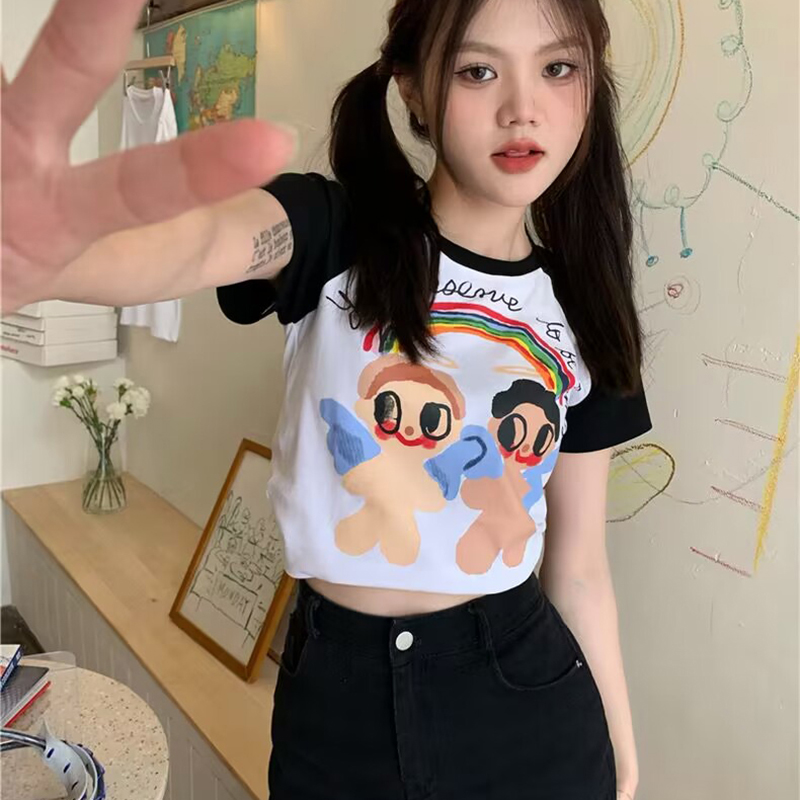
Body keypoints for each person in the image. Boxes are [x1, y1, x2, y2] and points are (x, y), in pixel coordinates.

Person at [2, 0, 652, 797]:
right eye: (478, 70)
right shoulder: (334, 229)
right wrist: (50, 252)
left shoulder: (585, 308)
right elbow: (200, 243)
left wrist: (621, 751)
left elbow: (579, 568)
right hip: (336, 706)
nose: (523, 107)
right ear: (412, 87)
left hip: (528, 708)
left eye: (558, 68)